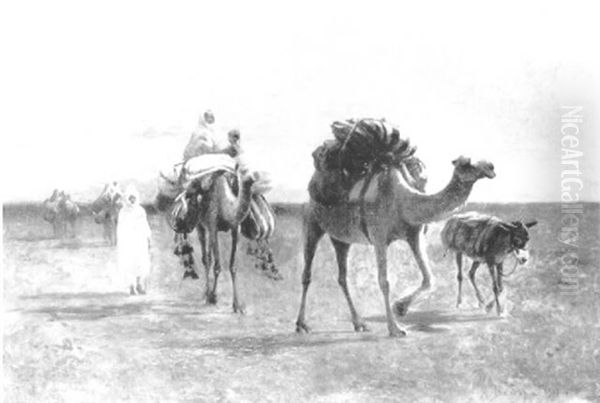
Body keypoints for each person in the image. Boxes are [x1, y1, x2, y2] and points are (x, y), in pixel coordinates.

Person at [117, 185, 152, 295]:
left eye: (134, 198)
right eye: (130, 198)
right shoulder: (123, 212)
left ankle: (139, 285)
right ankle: (131, 286)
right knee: (128, 265)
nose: (132, 200)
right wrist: (122, 242)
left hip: (140, 241)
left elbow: (145, 225)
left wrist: (148, 239)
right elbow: (120, 228)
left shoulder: (141, 210)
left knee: (141, 264)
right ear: (127, 198)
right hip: (128, 242)